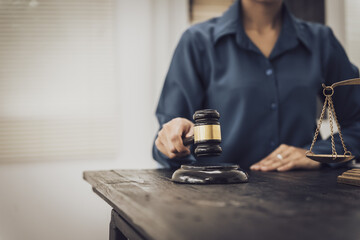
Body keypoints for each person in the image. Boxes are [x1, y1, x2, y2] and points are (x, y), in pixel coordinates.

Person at [152, 0, 360, 171]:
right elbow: (168, 144)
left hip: (303, 200)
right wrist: (169, 143)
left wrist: (320, 153)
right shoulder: (197, 42)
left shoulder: (321, 41)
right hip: (216, 202)